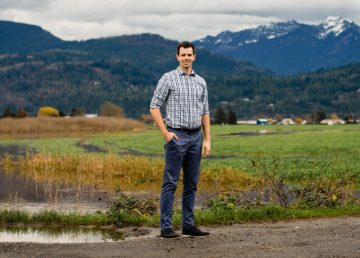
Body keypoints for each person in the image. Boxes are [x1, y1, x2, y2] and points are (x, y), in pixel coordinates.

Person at [150, 41, 211, 238]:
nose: (186, 58)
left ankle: (188, 225)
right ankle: (166, 228)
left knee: (191, 184)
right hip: (177, 136)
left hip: (196, 137)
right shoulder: (168, 79)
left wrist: (207, 140)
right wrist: (166, 133)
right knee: (170, 183)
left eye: (189, 55)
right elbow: (154, 106)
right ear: (177, 57)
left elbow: (205, 112)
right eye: (183, 55)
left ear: (194, 57)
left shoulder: (201, 81)